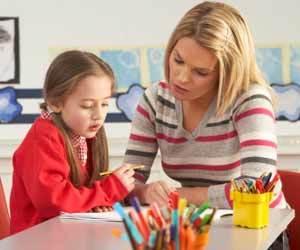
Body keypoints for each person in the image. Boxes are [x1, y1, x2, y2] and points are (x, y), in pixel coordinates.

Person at [123, 1, 287, 211]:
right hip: (199, 225)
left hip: (262, 232)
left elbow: (259, 189)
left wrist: (178, 196)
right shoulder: (156, 99)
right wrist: (145, 192)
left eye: (201, 72)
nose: (181, 78)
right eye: (178, 60)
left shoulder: (249, 100)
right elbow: (126, 182)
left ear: (226, 73)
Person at [10, 50, 135, 234]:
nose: (99, 115)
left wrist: (96, 203)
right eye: (87, 106)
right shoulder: (42, 139)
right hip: (36, 241)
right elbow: (54, 202)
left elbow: (79, 196)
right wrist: (109, 190)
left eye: (105, 104)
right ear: (55, 103)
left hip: (70, 236)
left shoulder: (86, 133)